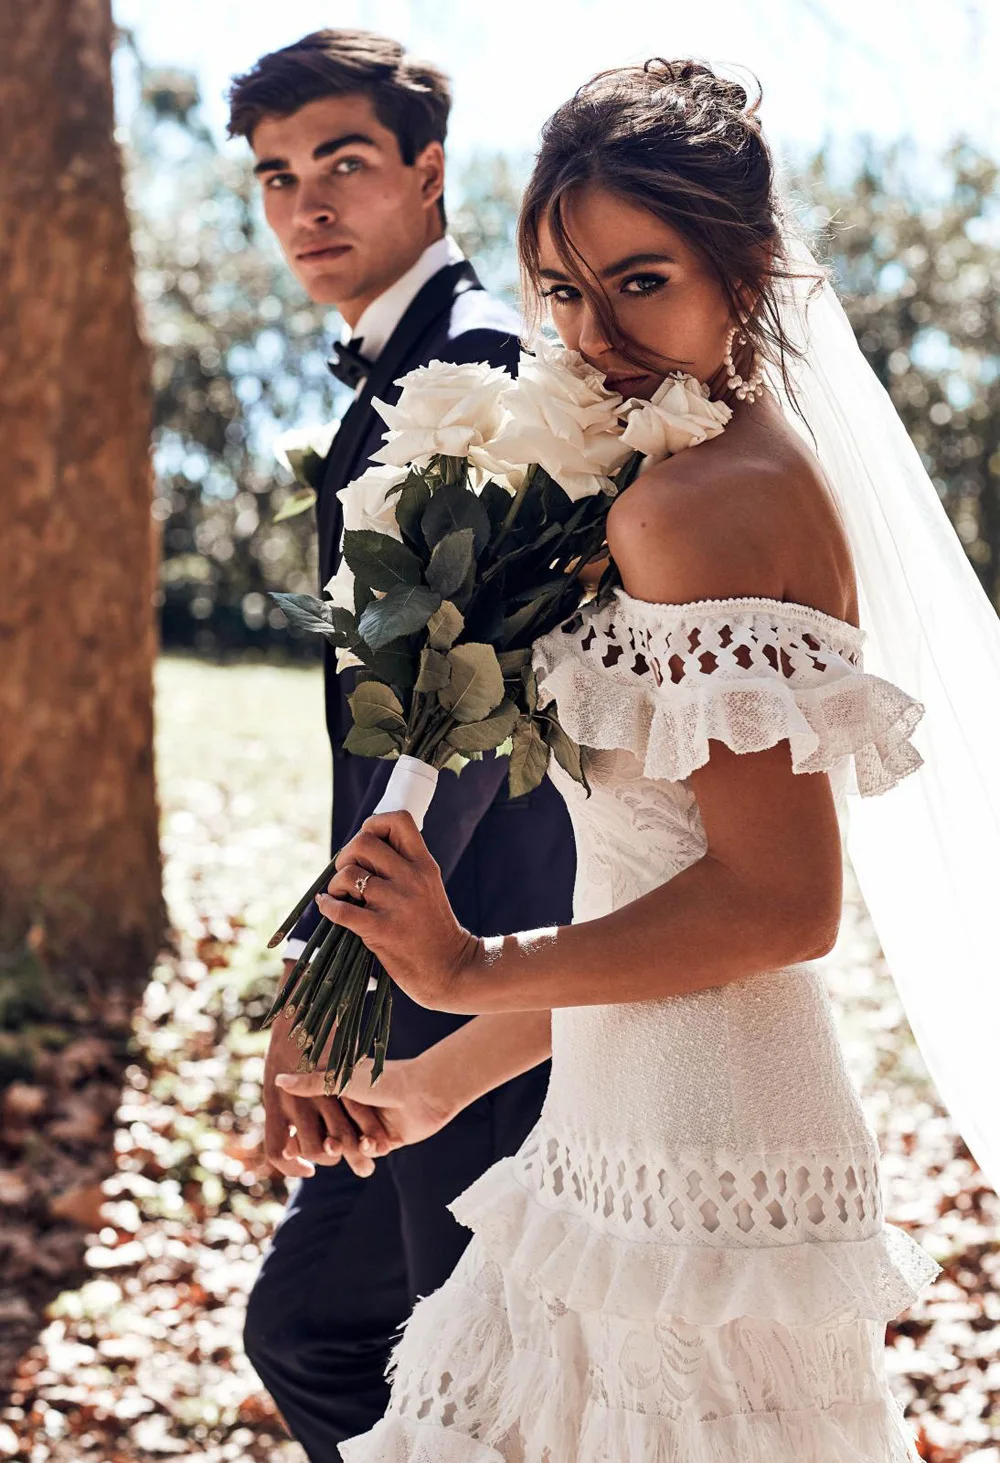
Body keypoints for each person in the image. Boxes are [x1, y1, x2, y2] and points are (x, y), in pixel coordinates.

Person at [276, 60, 949, 1461]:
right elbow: (664, 885)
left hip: (696, 1162)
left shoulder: (704, 505)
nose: (593, 334)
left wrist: (466, 971)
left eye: (641, 282)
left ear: (747, 266)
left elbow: (779, 906)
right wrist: (449, 1073)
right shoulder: (682, 467)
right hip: (631, 1116)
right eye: (563, 290)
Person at [225, 29, 576, 1458]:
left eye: (344, 164)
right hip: (410, 939)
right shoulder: (397, 373)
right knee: (317, 1326)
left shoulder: (474, 369)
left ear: (429, 174)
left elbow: (468, 718)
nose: (307, 203)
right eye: (276, 176)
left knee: (463, 1360)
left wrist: (349, 963)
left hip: (475, 947)